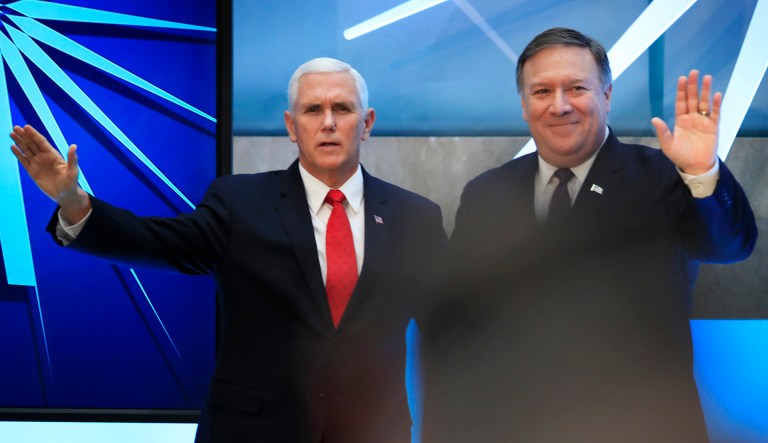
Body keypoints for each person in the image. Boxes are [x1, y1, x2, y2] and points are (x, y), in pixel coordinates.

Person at [11, 57, 447, 443]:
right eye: (313, 110)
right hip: (254, 430)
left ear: (367, 123)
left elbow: (456, 321)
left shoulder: (415, 217)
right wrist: (75, 203)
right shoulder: (239, 203)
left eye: (343, 109)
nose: (328, 122)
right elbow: (158, 241)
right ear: (292, 126)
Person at [422, 27, 757, 443]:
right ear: (524, 105)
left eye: (576, 87)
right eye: (541, 91)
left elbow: (730, 246)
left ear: (607, 95)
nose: (559, 106)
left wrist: (702, 173)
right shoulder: (487, 192)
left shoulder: (664, 178)